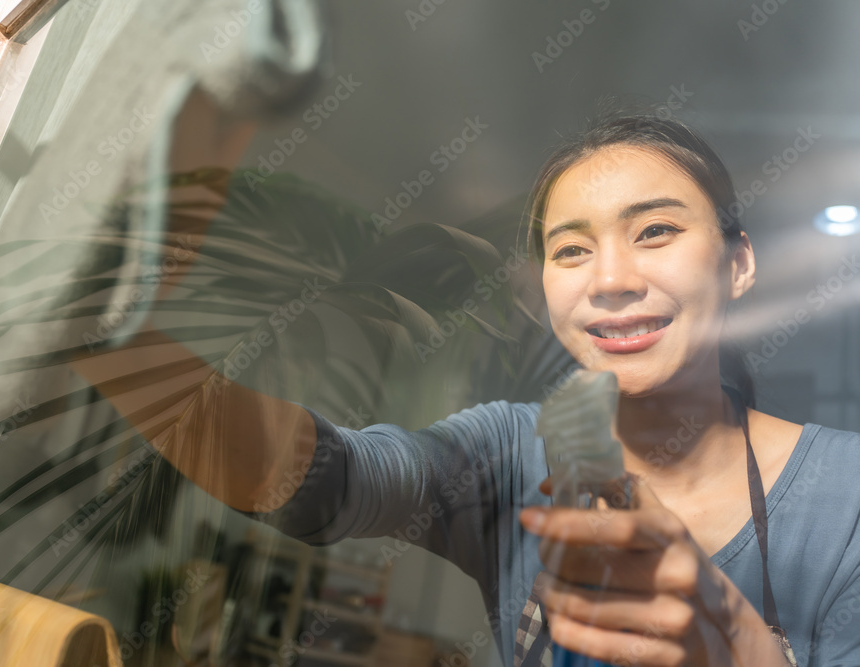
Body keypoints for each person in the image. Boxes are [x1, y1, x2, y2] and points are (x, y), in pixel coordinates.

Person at [70, 107, 860, 667]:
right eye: (571, 249)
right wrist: (102, 340)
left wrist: (744, 651)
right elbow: (328, 479)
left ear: (740, 263)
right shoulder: (513, 448)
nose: (611, 280)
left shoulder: (847, 499)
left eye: (655, 230)